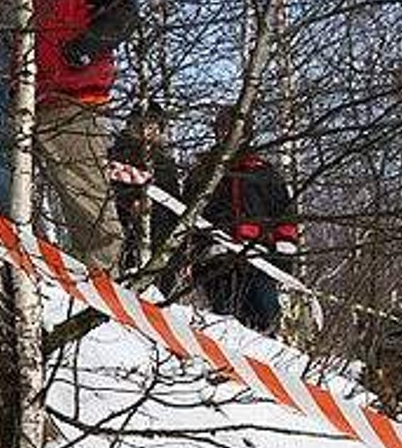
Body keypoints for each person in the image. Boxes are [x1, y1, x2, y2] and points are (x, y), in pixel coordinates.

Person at [23, 0, 138, 274]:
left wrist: (82, 49)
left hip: (72, 95)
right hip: (21, 92)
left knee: (86, 203)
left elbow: (124, 12)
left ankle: (105, 286)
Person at [190, 108, 299, 335]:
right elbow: (188, 215)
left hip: (259, 258)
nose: (227, 134)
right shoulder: (204, 172)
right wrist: (197, 251)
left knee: (266, 320)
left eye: (233, 129)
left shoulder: (264, 173)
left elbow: (284, 216)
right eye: (222, 129)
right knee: (224, 323)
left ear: (246, 133)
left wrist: (284, 253)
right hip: (216, 259)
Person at [111, 100, 184, 275]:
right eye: (140, 125)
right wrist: (130, 204)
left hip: (160, 234)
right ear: (131, 126)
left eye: (152, 126)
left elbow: (174, 199)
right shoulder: (117, 155)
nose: (145, 131)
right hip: (123, 231)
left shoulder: (165, 161)